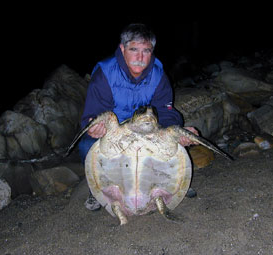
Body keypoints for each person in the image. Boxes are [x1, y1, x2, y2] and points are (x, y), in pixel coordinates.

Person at [79, 23, 199, 211]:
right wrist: (94, 126)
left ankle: (170, 187)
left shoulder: (159, 75)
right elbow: (92, 115)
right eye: (134, 49)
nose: (140, 57)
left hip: (148, 130)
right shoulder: (104, 74)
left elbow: (166, 111)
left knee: (174, 135)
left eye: (146, 51)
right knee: (87, 145)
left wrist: (175, 132)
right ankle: (99, 191)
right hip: (117, 132)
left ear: (152, 51)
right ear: (122, 48)